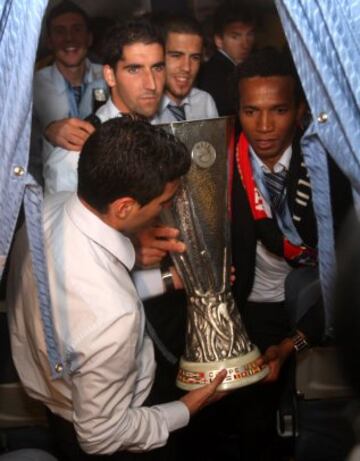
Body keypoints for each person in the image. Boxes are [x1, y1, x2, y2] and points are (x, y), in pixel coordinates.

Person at [7, 117, 227, 461]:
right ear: (124, 206)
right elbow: (100, 437)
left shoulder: (48, 207)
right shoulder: (114, 318)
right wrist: (187, 407)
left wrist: (168, 280)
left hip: (59, 400)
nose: (165, 210)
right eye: (164, 203)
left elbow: (83, 308)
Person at [43, 18, 166, 195]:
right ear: (109, 75)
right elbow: (61, 221)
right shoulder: (75, 153)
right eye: (134, 69)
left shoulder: (171, 126)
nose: (152, 84)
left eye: (158, 68)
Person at [32, 1, 107, 155]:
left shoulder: (111, 78)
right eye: (60, 31)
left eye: (77, 30)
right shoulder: (32, 86)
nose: (69, 38)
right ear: (49, 42)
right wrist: (48, 131)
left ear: (89, 38)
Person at [151, 15, 218, 123]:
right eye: (176, 56)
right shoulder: (145, 108)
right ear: (159, 56)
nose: (187, 67)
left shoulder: (204, 101)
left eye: (195, 58)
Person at [198, 2, 256, 116]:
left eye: (249, 34)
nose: (245, 44)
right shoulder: (214, 74)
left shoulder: (242, 67)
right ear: (219, 40)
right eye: (235, 37)